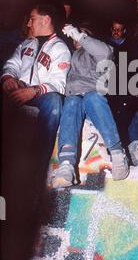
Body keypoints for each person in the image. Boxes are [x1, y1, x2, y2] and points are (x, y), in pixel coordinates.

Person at [51, 23, 129, 188]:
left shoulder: (98, 53)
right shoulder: (70, 54)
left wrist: (79, 34)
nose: (76, 39)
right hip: (74, 96)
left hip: (94, 95)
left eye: (82, 34)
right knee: (71, 102)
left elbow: (106, 52)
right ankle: (66, 164)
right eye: (74, 37)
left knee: (92, 97)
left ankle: (117, 153)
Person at [1, 3, 71, 174]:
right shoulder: (27, 43)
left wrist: (34, 90)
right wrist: (8, 77)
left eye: (32, 19)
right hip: (18, 90)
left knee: (54, 101)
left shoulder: (60, 48)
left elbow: (59, 83)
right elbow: (12, 64)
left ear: (46, 20)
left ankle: (37, 169)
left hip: (40, 94)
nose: (28, 24)